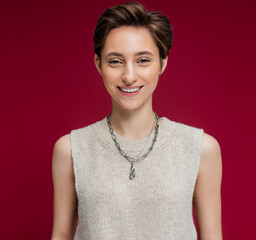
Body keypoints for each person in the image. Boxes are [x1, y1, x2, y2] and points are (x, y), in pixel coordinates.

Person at [51, 1, 222, 239]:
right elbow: (60, 235)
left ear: (163, 62)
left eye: (143, 60)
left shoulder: (201, 148)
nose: (129, 76)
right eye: (115, 61)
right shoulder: (70, 149)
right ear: (98, 64)